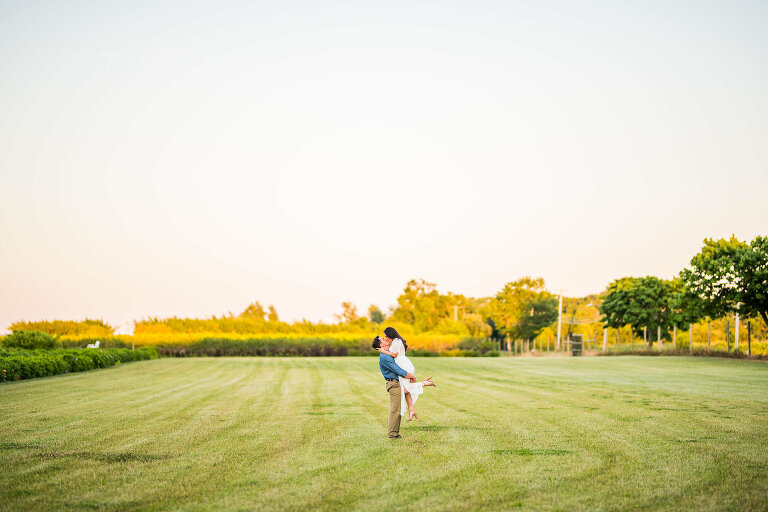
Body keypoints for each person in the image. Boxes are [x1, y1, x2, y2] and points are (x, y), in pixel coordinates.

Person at [373, 326, 436, 423]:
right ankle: (411, 410)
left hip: (402, 365)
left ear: (391, 334)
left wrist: (383, 351)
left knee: (406, 389)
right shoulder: (396, 341)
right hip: (404, 364)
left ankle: (424, 383)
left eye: (385, 336)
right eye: (383, 338)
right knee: (406, 390)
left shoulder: (395, 342)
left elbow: (394, 355)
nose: (385, 338)